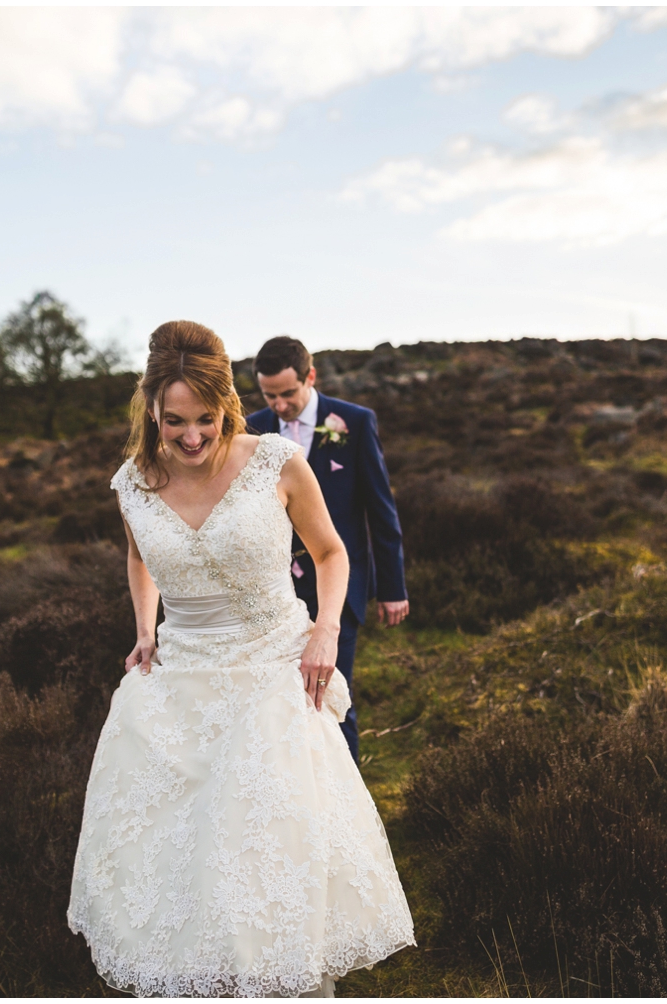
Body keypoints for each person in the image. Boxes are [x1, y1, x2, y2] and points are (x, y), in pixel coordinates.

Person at [67, 321, 414, 998]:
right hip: (184, 676)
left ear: (227, 408)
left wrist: (325, 630)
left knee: (262, 837)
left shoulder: (276, 462)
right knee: (182, 849)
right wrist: (146, 628)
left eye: (205, 420)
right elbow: (139, 556)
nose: (191, 437)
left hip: (271, 667)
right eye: (173, 423)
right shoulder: (132, 485)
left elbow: (333, 552)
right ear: (151, 416)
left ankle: (282, 976)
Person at [245, 336, 408, 763]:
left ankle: (344, 808)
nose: (279, 405)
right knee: (274, 704)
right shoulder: (251, 428)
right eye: (269, 395)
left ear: (310, 377)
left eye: (288, 394)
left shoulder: (353, 422)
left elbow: (380, 510)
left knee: (331, 700)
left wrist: (392, 588)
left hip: (339, 588)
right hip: (274, 593)